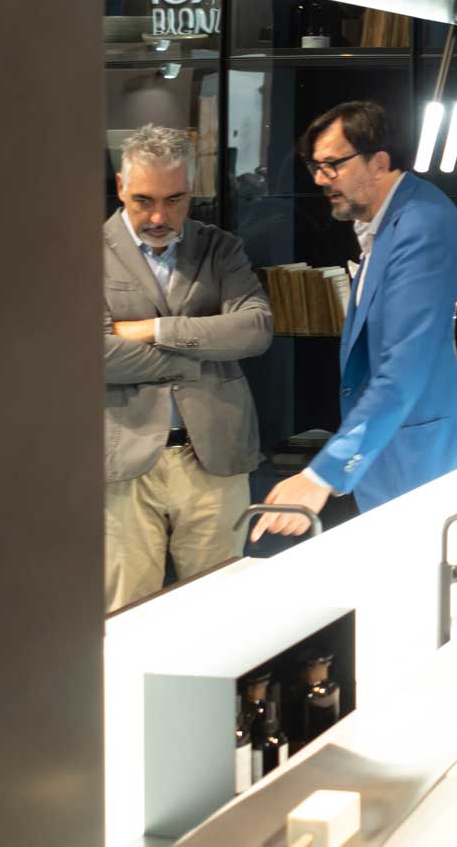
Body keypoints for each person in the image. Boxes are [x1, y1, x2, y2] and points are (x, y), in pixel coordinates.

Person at [253, 101, 457, 537]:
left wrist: (322, 476)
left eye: (332, 165)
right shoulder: (401, 218)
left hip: (443, 467)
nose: (319, 179)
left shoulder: (422, 231)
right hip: (418, 463)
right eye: (315, 166)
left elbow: (403, 370)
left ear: (378, 162)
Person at [103, 125, 273, 611]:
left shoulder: (221, 249)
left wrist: (154, 330)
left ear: (192, 190)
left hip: (214, 456)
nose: (159, 216)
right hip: (123, 460)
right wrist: (200, 354)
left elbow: (255, 329)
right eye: (144, 201)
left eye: (175, 200)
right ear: (121, 186)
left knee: (217, 611)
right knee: (127, 616)